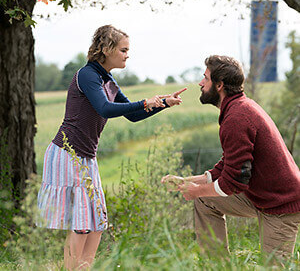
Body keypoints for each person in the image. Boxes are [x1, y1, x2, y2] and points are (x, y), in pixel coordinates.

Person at [37, 25, 187, 270]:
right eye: (123, 49)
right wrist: (144, 101)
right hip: (67, 154)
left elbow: (133, 116)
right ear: (106, 49)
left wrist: (162, 104)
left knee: (96, 221)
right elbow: (104, 109)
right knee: (82, 222)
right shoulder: (87, 75)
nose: (128, 54)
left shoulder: (107, 79)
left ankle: (84, 267)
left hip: (86, 157)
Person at [162, 55, 300, 261]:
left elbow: (234, 181)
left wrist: (195, 190)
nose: (200, 83)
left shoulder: (237, 117)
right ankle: (217, 265)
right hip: (260, 197)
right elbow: (227, 167)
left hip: (281, 205)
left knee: (273, 267)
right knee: (205, 200)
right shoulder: (236, 110)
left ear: (219, 85)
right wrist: (188, 182)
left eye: (205, 78)